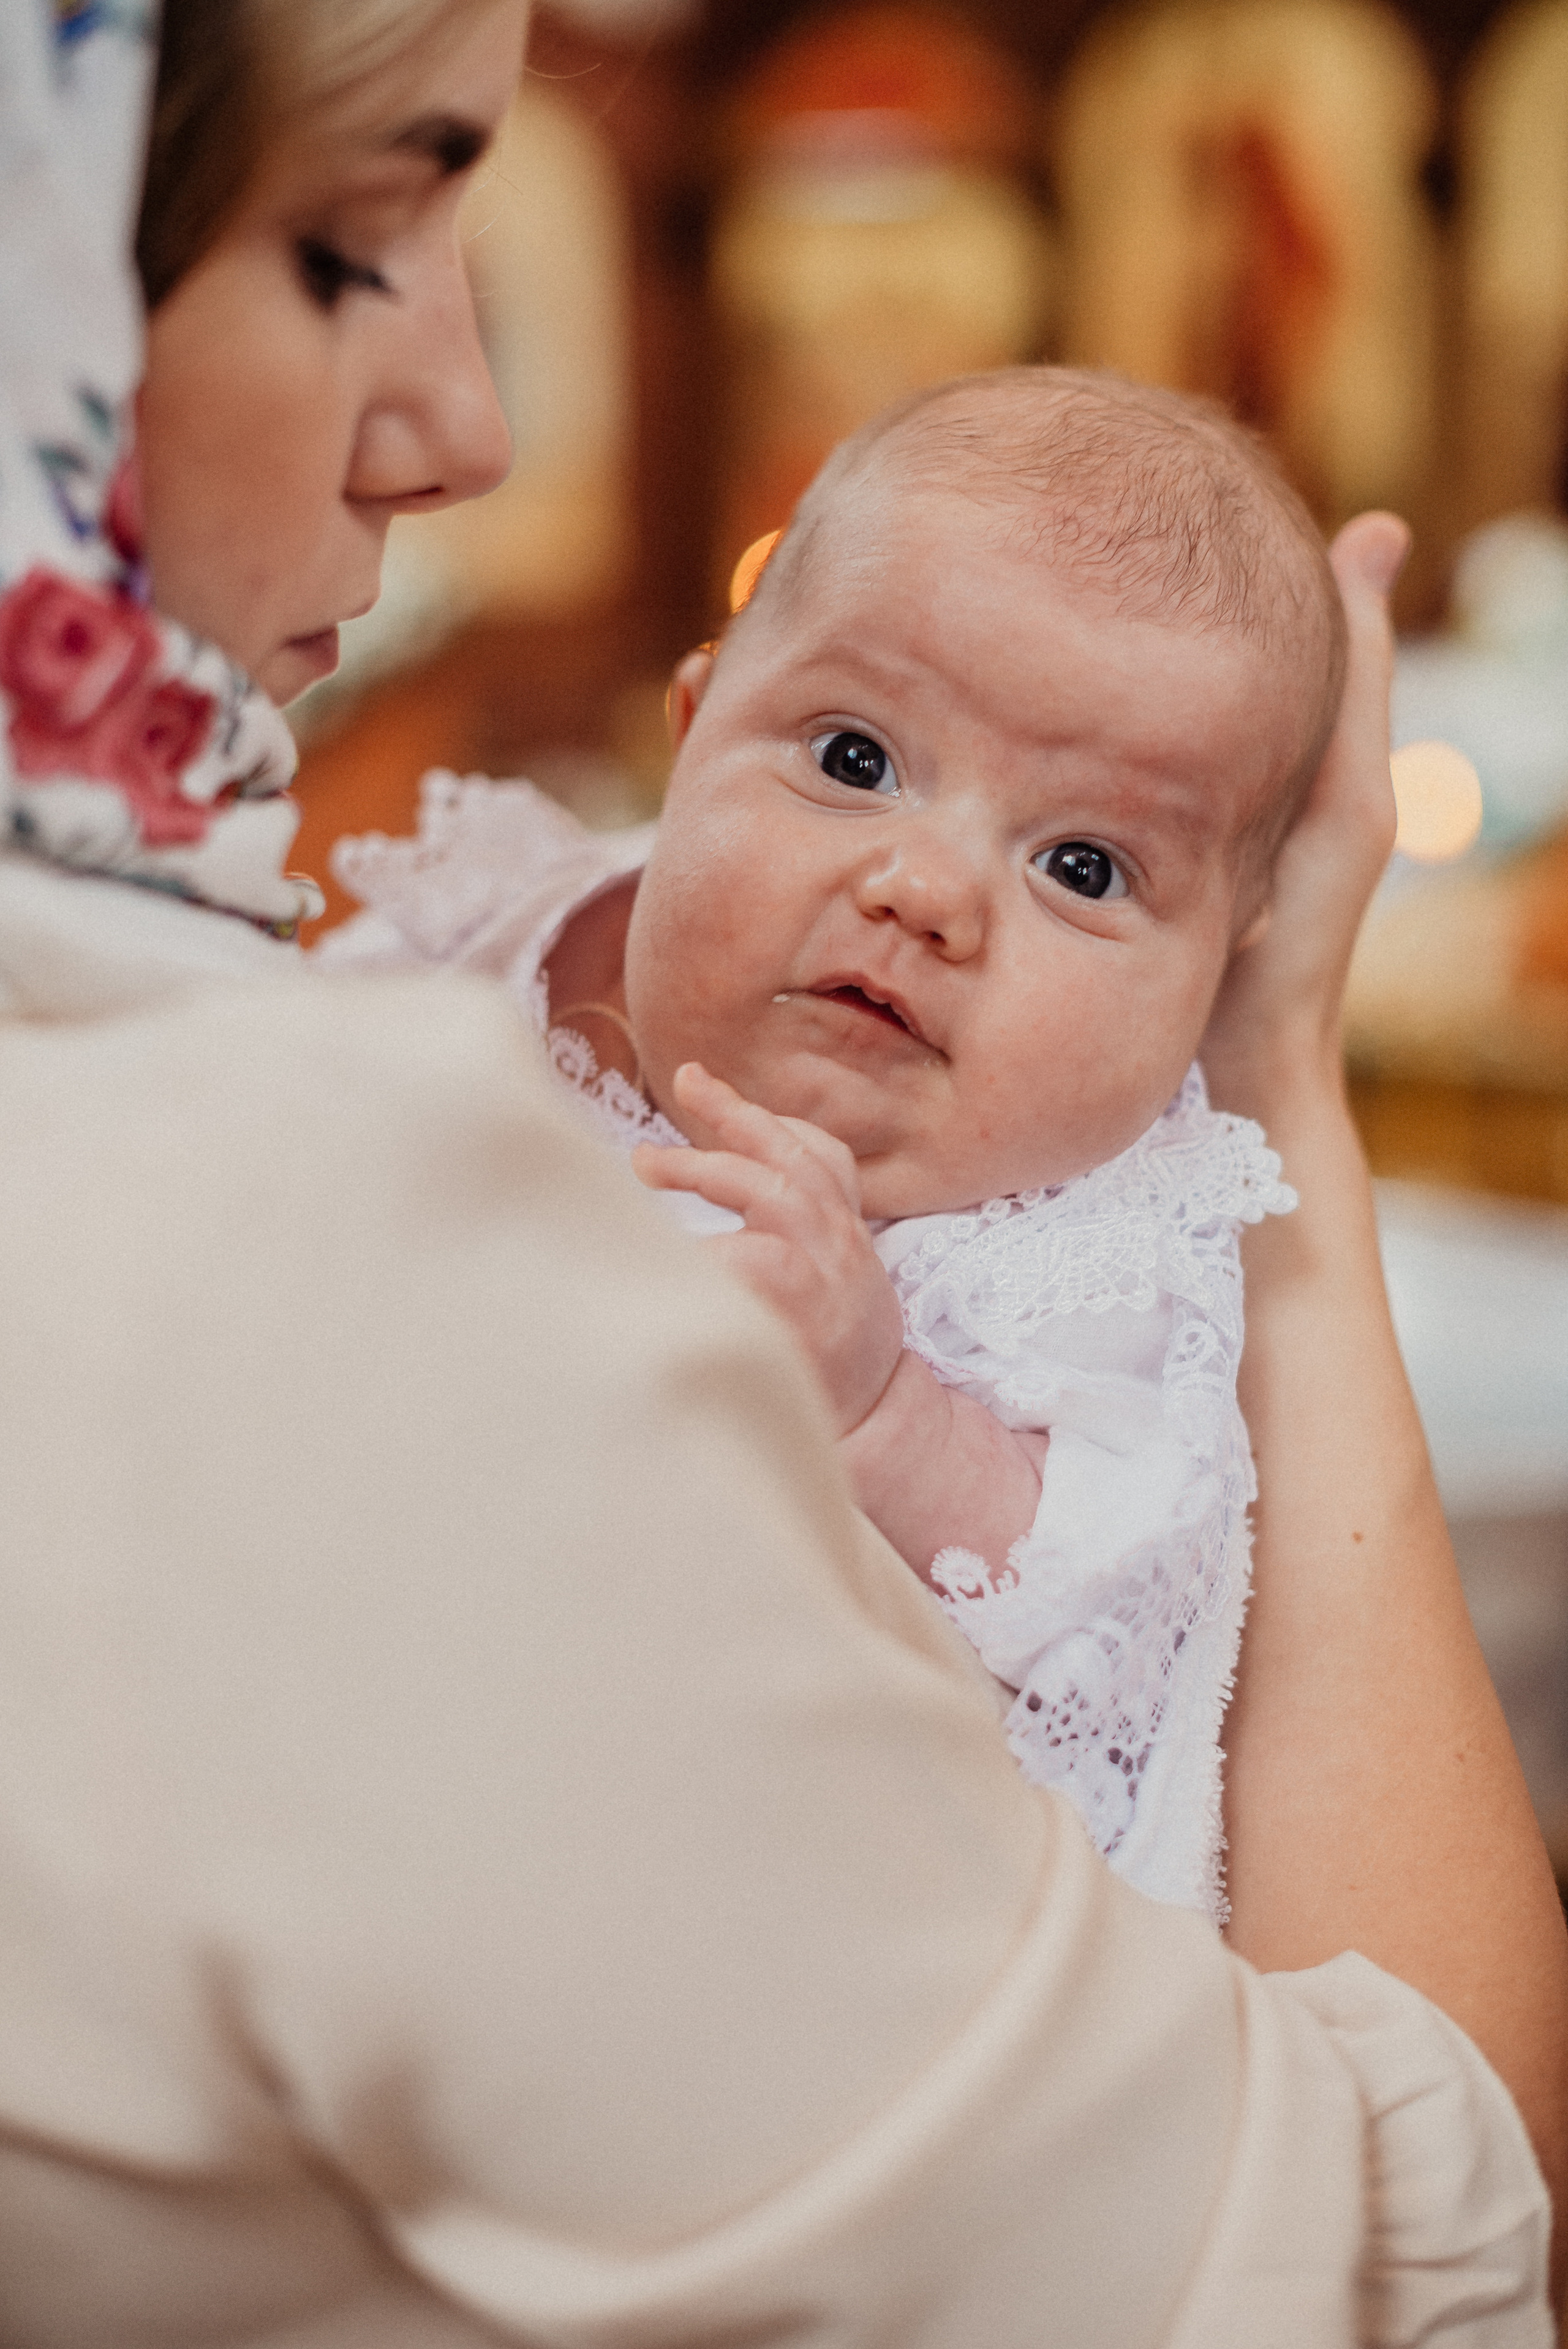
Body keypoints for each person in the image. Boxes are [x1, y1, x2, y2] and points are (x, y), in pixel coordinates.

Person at [0, 1, 1562, 2341]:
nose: (475, 427)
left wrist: (1195, 1158)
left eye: (1085, 868)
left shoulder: (1063, 1256)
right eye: (348, 243)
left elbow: (1117, 1576)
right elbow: (1420, 2240)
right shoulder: (325, 1141)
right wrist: (1294, 1094)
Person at [320, 367, 1341, 1922]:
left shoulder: (1083, 1252)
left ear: (1219, 967)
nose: (925, 893)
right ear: (689, 733)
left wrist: (889, 1413)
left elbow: (1115, 1610)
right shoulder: (486, 938)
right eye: (853, 761)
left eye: (1081, 865)